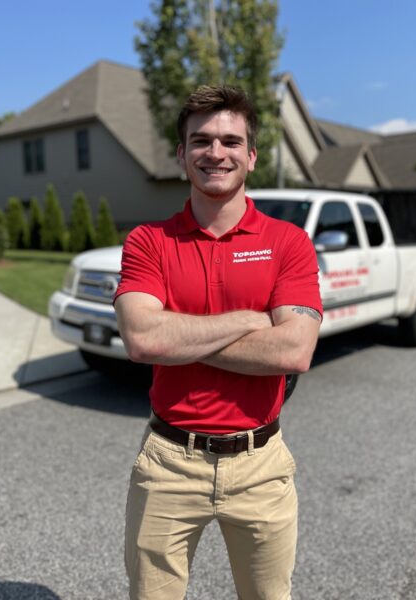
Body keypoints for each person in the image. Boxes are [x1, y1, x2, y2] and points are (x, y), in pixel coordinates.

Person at [113, 85, 322, 599]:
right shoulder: (149, 241)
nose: (216, 152)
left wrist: (177, 333)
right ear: (181, 153)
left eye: (231, 140)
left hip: (260, 463)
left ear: (251, 156)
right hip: (168, 462)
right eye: (201, 140)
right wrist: (250, 319)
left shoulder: (287, 242)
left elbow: (293, 351)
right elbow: (141, 338)